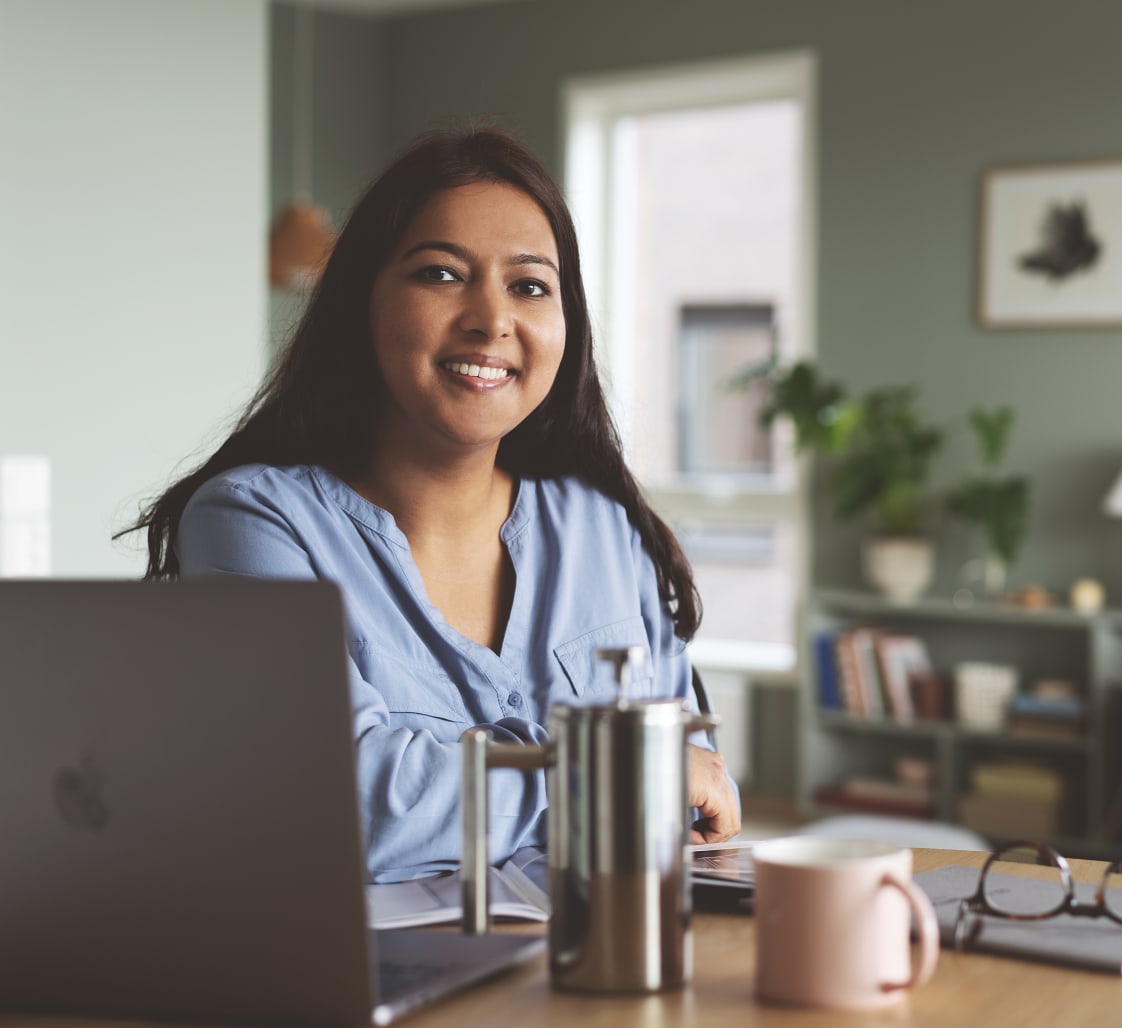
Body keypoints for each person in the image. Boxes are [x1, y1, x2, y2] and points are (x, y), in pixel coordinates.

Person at [125, 125, 741, 882]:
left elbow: (696, 784)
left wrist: (645, 778)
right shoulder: (254, 523)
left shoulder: (604, 525)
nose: (492, 317)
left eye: (530, 285)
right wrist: (613, 776)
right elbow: (336, 806)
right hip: (379, 992)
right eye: (442, 275)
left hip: (612, 979)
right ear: (362, 302)